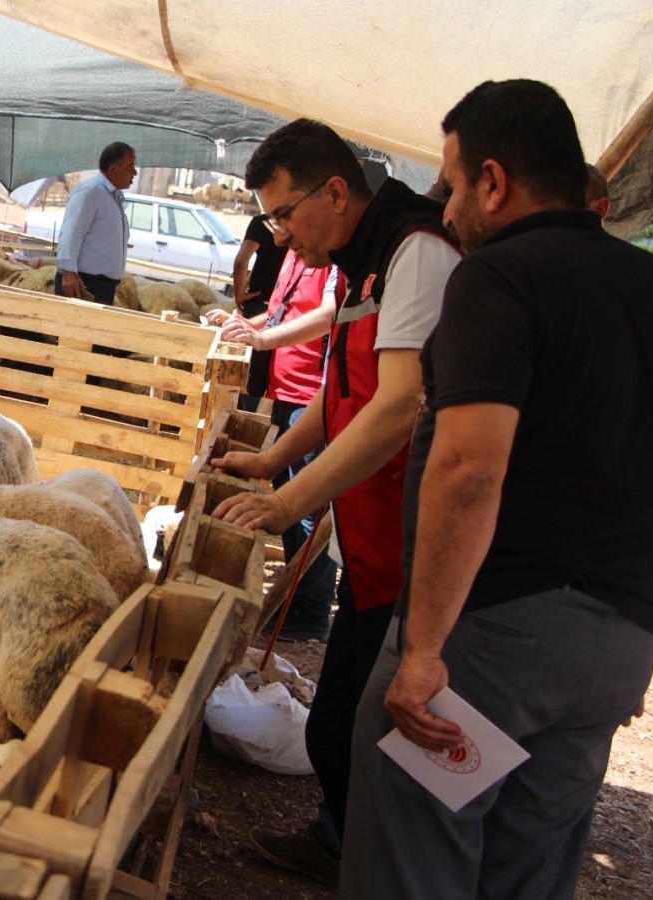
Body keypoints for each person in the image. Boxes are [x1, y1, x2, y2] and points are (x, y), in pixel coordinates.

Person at [341, 79, 653, 900]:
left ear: (494, 181)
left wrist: (423, 649)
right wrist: (644, 619)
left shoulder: (497, 281)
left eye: (451, 183)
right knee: (529, 872)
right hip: (611, 646)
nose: (443, 208)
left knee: (417, 856)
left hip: (491, 641)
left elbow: (471, 467)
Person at [208, 118, 460, 885]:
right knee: (342, 723)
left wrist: (287, 505)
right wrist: (276, 457)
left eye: (283, 214)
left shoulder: (415, 254)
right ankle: (341, 843)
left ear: (336, 192)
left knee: (370, 729)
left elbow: (396, 407)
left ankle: (377, 864)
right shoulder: (366, 260)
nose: (279, 236)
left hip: (416, 548)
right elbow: (344, 390)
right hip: (373, 538)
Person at [207, 249, 341, 640]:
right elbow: (287, 311)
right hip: (283, 389)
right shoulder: (296, 253)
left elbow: (328, 314)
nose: (281, 234)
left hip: (309, 395)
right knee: (287, 488)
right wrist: (246, 326)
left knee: (307, 505)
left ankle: (311, 610)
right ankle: (295, 600)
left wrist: (261, 338)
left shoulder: (333, 259)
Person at [55, 142, 136, 305]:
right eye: (130, 166)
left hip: (101, 286)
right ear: (113, 169)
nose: (134, 172)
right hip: (83, 284)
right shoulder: (90, 192)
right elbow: (71, 232)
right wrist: (68, 271)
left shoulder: (111, 197)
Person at [230, 216, 285, 412]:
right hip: (284, 309)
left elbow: (240, 261)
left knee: (249, 372)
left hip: (258, 305)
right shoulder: (301, 224)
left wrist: (239, 294)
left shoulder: (262, 222)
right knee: (265, 373)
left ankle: (242, 419)